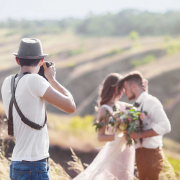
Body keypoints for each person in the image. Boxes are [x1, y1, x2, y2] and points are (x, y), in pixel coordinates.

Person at [1, 38, 76, 180]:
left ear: (17, 60)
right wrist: (52, 79)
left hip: (16, 163)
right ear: (42, 61)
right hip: (34, 164)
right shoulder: (35, 81)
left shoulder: (7, 82)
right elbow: (70, 106)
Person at [73, 73, 135, 180]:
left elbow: (139, 109)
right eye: (121, 88)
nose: (123, 91)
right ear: (114, 87)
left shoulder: (121, 105)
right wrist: (120, 136)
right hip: (114, 153)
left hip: (127, 150)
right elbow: (100, 137)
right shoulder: (104, 109)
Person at [119, 71, 171, 180]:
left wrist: (138, 135)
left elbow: (166, 126)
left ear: (133, 87)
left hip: (150, 154)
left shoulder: (150, 101)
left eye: (125, 88)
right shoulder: (139, 103)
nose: (124, 92)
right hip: (142, 154)